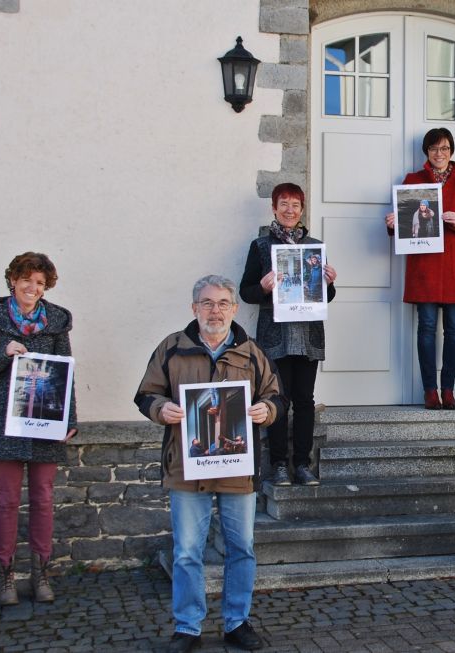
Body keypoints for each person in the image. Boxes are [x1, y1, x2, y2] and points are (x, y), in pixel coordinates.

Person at [134, 275, 286, 653]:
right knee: (187, 551)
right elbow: (145, 394)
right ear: (194, 308)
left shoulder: (251, 352)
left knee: (242, 549)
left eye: (222, 303)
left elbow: (277, 398)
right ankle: (187, 627)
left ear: (233, 309)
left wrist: (265, 410)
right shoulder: (172, 348)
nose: (214, 310)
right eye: (206, 303)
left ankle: (237, 622)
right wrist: (160, 408)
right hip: (187, 470)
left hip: (237, 470)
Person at [0, 252, 78, 607]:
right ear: (13, 281)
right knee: (6, 502)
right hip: (6, 424)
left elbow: (66, 372)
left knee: (43, 500)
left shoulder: (58, 321)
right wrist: (5, 352)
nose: (33, 288)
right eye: (27, 280)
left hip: (47, 421)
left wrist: (70, 420)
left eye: (40, 283)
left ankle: (41, 574)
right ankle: (6, 578)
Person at [240, 183, 336, 487]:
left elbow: (324, 296)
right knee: (277, 400)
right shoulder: (260, 247)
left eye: (295, 204)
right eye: (284, 204)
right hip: (275, 337)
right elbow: (246, 292)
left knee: (304, 401)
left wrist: (330, 283)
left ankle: (303, 465)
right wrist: (264, 287)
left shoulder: (314, 245)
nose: (290, 210)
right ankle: (279, 465)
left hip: (308, 336)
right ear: (274, 208)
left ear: (302, 209)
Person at [385, 127, 455, 410]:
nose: (440, 154)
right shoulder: (413, 181)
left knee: (454, 331)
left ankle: (448, 389)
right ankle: (430, 390)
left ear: (452, 151)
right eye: (434, 149)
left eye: (445, 148)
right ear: (426, 152)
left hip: (454, 265)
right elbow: (405, 227)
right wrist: (392, 225)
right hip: (424, 266)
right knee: (425, 329)